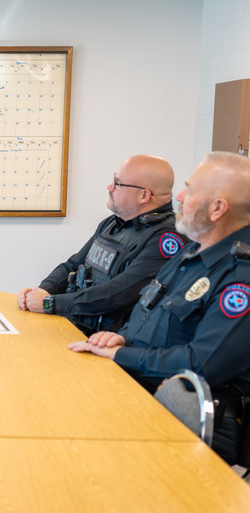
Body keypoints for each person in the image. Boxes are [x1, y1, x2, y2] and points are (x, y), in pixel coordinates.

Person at [69, 151, 250, 464]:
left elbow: (202, 364)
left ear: (218, 208)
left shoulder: (238, 278)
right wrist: (122, 338)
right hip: (143, 387)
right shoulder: (192, 252)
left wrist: (122, 354)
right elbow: (147, 311)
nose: (179, 196)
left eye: (190, 191)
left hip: (194, 418)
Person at [17, 155, 186, 335]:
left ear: (143, 195)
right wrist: (43, 290)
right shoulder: (113, 223)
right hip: (76, 327)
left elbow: (117, 294)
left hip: (110, 344)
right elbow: (74, 265)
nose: (110, 187)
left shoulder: (167, 238)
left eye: (118, 184)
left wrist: (50, 303)